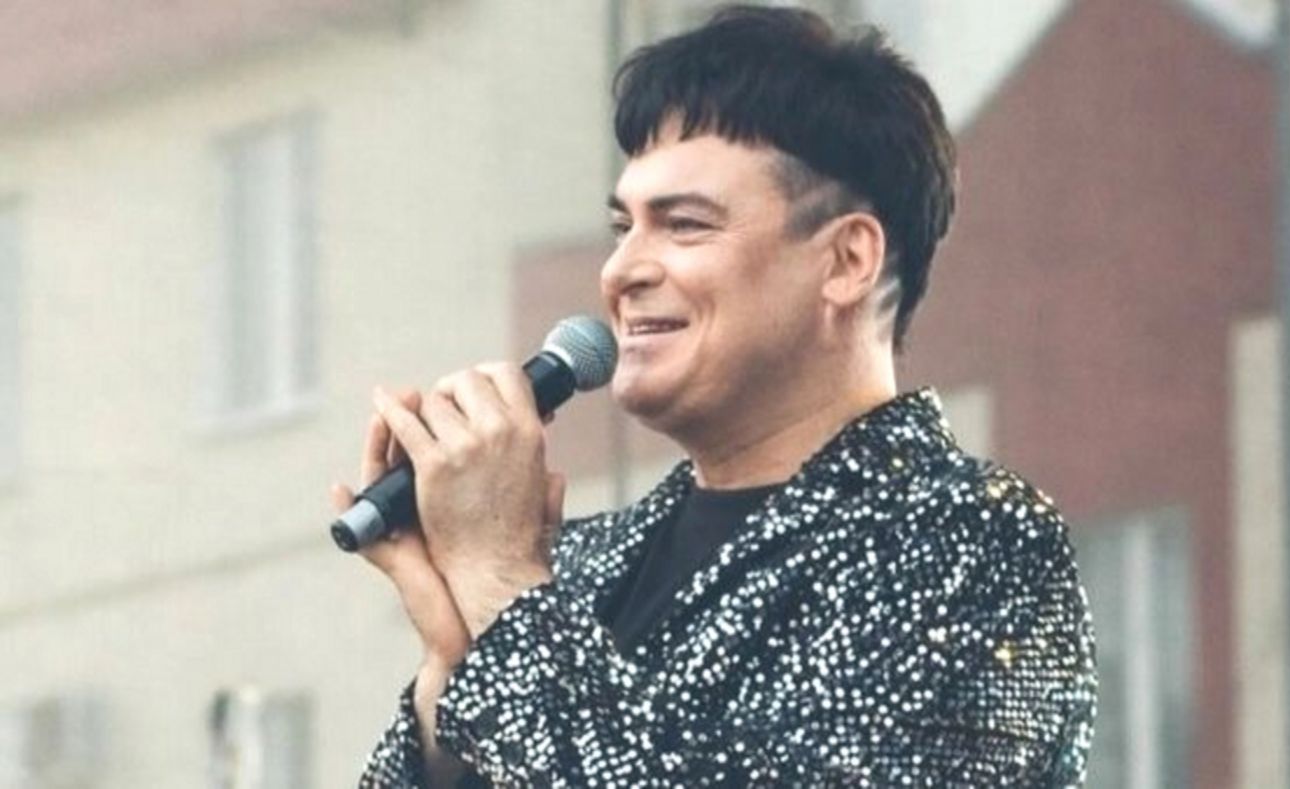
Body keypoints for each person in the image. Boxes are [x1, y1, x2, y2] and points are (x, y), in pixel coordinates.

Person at [340, 5, 1097, 787]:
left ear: (847, 260)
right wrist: (448, 684)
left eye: (684, 225)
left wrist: (502, 582)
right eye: (623, 228)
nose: (621, 270)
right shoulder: (578, 565)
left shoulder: (973, 541)